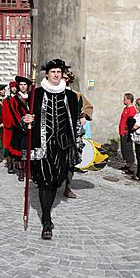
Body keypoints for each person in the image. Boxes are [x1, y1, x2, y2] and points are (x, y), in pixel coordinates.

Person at [22, 59, 81, 240]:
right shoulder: (36, 94)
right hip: (43, 147)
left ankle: (47, 212)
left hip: (62, 148)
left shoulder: (71, 96)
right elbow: (25, 120)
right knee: (45, 182)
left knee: (56, 181)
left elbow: (75, 122)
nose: (56, 75)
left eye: (58, 72)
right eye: (53, 71)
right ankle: (46, 220)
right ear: (46, 74)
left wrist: (76, 145)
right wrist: (26, 121)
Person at [63, 70, 93, 198]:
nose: (61, 79)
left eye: (65, 78)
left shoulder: (77, 95)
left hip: (72, 132)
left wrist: (84, 115)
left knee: (70, 160)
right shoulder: (50, 93)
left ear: (68, 80)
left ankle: (67, 187)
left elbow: (87, 107)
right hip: (54, 133)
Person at [8, 76, 32, 181]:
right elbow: (14, 114)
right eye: (21, 84)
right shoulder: (14, 99)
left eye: (25, 85)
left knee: (30, 151)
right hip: (19, 129)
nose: (22, 86)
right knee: (20, 152)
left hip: (31, 127)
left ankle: (29, 172)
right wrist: (23, 123)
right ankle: (21, 173)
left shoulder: (32, 97)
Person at [118, 93, 136, 176]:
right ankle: (127, 165)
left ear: (129, 100)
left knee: (128, 149)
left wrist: (127, 131)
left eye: (125, 99)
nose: (123, 100)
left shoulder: (132, 109)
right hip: (122, 132)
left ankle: (131, 168)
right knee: (124, 149)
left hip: (126, 133)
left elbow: (131, 122)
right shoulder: (126, 108)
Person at [2, 80, 18, 174]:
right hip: (9, 128)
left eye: (15, 87)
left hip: (18, 127)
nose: (14, 89)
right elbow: (5, 114)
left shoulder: (20, 98)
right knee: (9, 147)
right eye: (13, 87)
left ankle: (18, 166)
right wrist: (8, 124)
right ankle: (10, 166)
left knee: (17, 147)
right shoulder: (6, 100)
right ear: (10, 89)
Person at [130, 98, 140, 181]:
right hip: (139, 137)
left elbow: (136, 125)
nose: (135, 106)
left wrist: (130, 128)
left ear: (139, 105)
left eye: (136, 104)